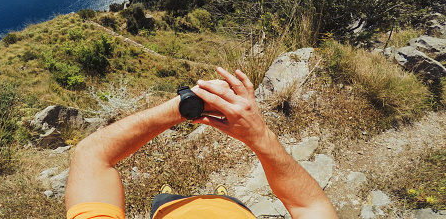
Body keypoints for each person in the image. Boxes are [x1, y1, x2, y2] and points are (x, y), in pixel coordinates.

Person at [65, 67, 339, 219]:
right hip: (235, 210)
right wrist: (259, 136)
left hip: (167, 210)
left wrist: (186, 105)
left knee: (162, 199)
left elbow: (91, 155)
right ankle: (220, 197)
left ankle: (170, 196)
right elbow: (310, 207)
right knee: (227, 201)